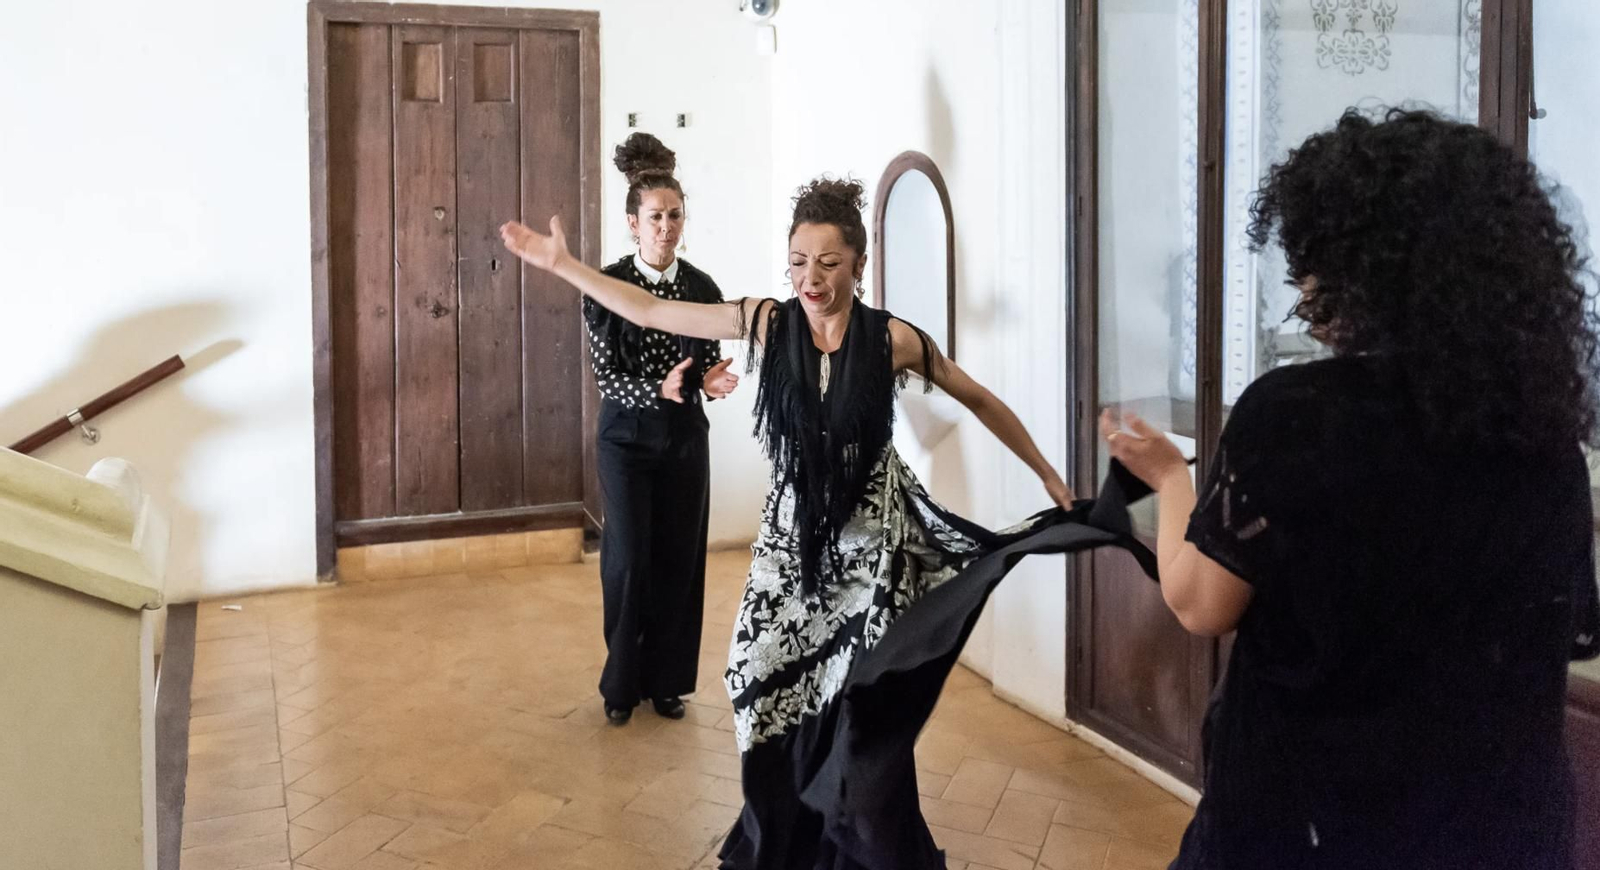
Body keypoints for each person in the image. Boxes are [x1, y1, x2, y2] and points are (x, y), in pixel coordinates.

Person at [501, 179, 1126, 868]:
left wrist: (1046, 472)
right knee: (757, 678)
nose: (811, 278)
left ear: (858, 262)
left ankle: (872, 842)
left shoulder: (892, 339)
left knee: (856, 701)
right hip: (790, 541)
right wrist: (563, 266)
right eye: (798, 261)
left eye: (828, 263)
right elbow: (650, 310)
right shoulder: (768, 322)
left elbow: (977, 397)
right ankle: (789, 834)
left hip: (871, 543)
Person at [1101, 108, 1600, 870]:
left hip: (1314, 825)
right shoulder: (1546, 446)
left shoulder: (1298, 415)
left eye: (1309, 273)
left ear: (1357, 268)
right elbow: (1554, 636)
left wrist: (1171, 478)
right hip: (1496, 828)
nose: (1306, 297)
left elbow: (1200, 603)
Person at [586, 132, 739, 725]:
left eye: (675, 216)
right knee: (627, 561)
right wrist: (658, 388)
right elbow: (606, 377)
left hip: (682, 442)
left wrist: (708, 380)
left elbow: (703, 361)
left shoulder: (702, 289)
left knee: (679, 560)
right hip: (624, 440)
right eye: (655, 217)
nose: (666, 227)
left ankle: (667, 682)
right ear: (633, 223)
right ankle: (620, 685)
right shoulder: (608, 285)